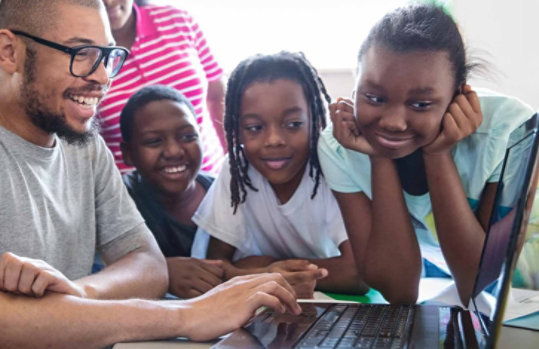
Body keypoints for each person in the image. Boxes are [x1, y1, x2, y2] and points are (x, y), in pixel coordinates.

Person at [0, 1, 300, 347]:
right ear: (9, 51)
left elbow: (148, 264)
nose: (102, 76)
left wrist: (76, 294)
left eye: (108, 55)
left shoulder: (84, 146)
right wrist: (189, 315)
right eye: (81, 52)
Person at [317, 5, 534, 305]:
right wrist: (379, 159)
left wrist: (438, 153)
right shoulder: (340, 147)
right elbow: (399, 290)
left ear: (458, 95)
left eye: (420, 104)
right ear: (355, 86)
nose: (392, 122)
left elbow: (478, 281)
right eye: (375, 98)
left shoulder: (511, 132)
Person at [192, 52, 368, 297]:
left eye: (293, 124)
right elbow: (215, 268)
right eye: (255, 128)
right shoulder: (237, 169)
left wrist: (265, 268)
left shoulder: (332, 166)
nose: (274, 140)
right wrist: (269, 272)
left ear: (317, 121)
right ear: (238, 131)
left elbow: (358, 274)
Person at [120, 85, 224, 298]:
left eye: (187, 136)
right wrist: (159, 272)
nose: (174, 151)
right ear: (128, 153)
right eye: (154, 141)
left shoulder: (229, 196)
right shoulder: (119, 202)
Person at [99, 0, 226, 175]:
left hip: (214, 179)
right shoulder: (80, 56)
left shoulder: (178, 20)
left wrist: (234, 159)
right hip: (135, 195)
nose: (108, 2)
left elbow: (217, 94)